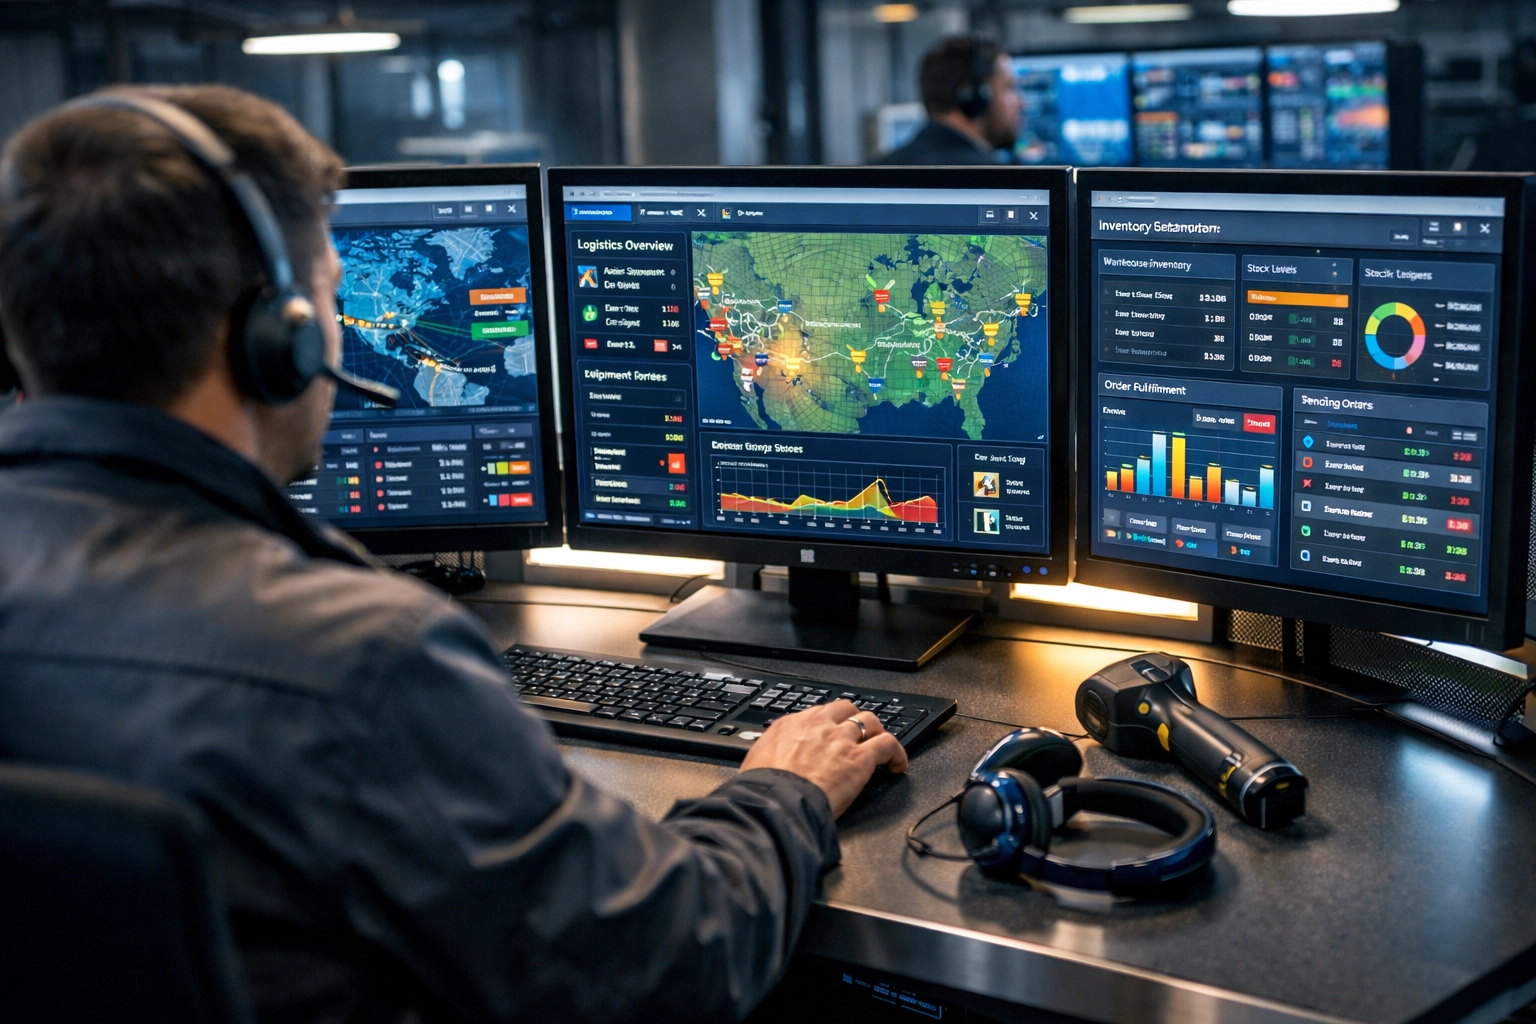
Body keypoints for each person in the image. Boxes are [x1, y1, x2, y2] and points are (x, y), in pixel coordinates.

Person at [0, 85, 907, 1023]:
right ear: (282, 336)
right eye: (328, 289)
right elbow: (672, 959)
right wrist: (779, 791)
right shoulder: (356, 659)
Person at [873, 35, 1021, 165]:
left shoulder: (879, 168)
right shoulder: (994, 178)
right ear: (976, 98)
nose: (1020, 102)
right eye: (1009, 88)